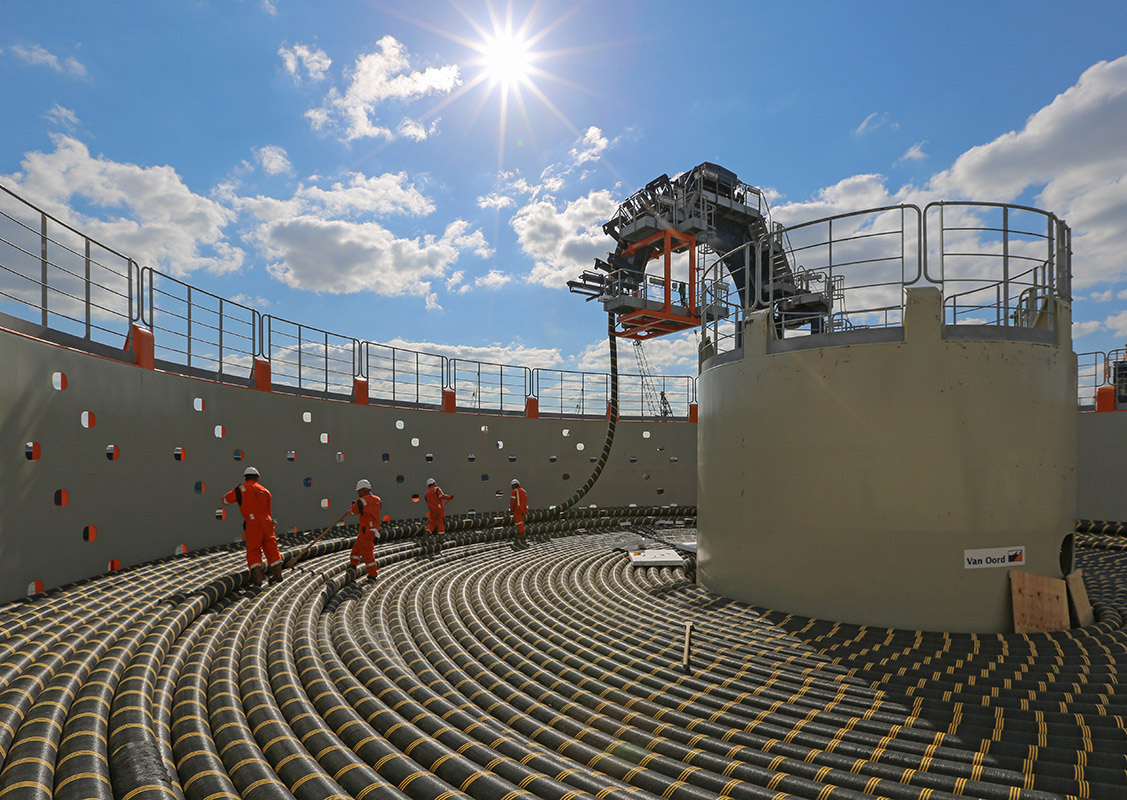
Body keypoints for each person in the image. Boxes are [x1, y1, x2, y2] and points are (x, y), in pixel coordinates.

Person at [223, 467, 283, 587]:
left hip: (253, 523)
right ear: (257, 478)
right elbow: (268, 510)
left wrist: (237, 491)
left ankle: (258, 578)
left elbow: (225, 500)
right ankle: (278, 574)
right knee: (271, 547)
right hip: (267, 522)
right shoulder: (265, 491)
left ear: (246, 477)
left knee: (253, 549)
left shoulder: (241, 489)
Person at [347, 479, 382, 580]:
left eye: (359, 490)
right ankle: (353, 563)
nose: (358, 493)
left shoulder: (361, 501)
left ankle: (372, 574)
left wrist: (353, 506)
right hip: (374, 529)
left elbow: (351, 512)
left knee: (367, 552)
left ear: (363, 490)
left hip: (365, 530)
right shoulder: (378, 500)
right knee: (358, 545)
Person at [509, 478, 528, 545]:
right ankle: (520, 533)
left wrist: (511, 509)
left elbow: (512, 501)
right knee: (521, 521)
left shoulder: (514, 491)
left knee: (518, 522)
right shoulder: (524, 491)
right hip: (524, 509)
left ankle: (522, 535)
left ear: (514, 485)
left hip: (518, 509)